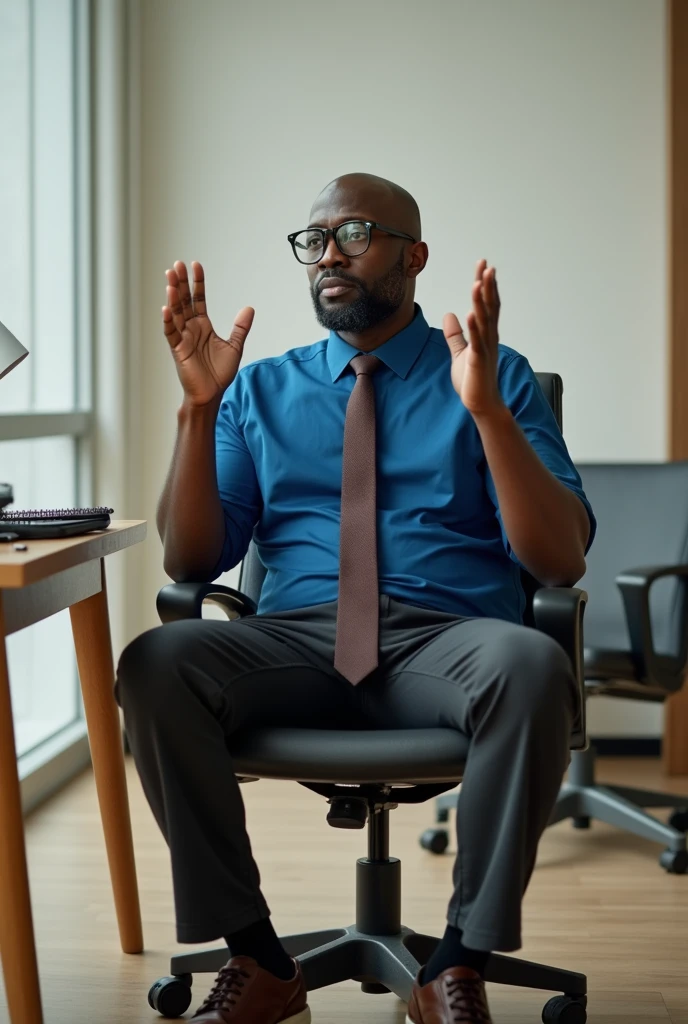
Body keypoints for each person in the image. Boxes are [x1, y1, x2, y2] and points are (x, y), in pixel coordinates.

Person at [116, 172, 595, 1024]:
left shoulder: (493, 376)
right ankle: (260, 959)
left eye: (355, 233)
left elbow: (558, 561)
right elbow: (193, 556)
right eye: (313, 239)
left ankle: (455, 964)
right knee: (157, 659)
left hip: (448, 641)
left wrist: (484, 412)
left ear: (414, 257)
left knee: (531, 658)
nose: (328, 253)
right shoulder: (257, 390)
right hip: (294, 640)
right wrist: (198, 410)